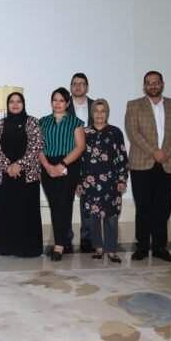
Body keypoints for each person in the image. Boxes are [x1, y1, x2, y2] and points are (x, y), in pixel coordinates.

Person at [124, 71, 171, 263]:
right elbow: (133, 132)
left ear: (162, 84)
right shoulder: (134, 105)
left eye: (156, 82)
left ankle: (160, 247)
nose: (152, 85)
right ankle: (142, 247)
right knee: (143, 207)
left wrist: (165, 152)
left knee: (163, 208)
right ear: (144, 86)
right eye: (149, 83)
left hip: (169, 162)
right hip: (141, 163)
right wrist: (154, 152)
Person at [0, 91, 44, 258]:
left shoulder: (32, 122)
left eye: (18, 101)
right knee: (5, 212)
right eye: (11, 101)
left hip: (28, 177)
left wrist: (19, 165)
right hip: (3, 177)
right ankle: (6, 247)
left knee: (27, 213)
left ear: (23, 104)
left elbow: (37, 145)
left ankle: (28, 248)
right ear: (7, 105)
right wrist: (8, 167)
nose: (15, 104)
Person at [78, 100, 129, 263]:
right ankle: (98, 247)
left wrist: (122, 179)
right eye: (96, 111)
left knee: (111, 218)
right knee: (92, 218)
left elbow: (122, 157)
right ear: (92, 113)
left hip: (111, 183)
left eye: (103, 111)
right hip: (89, 182)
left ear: (107, 113)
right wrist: (78, 182)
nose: (99, 114)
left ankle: (111, 250)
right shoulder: (84, 132)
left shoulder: (115, 132)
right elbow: (78, 159)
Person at [39, 87, 86, 261]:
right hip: (47, 165)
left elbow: (80, 147)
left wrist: (62, 164)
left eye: (61, 100)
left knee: (64, 203)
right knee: (54, 204)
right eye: (55, 100)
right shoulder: (42, 121)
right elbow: (38, 147)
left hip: (69, 165)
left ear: (67, 103)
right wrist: (47, 165)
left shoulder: (76, 122)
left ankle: (59, 245)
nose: (57, 103)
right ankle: (61, 239)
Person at [68, 72, 94, 252]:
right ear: (71, 87)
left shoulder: (95, 106)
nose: (78, 87)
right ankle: (65, 237)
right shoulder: (63, 105)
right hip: (68, 157)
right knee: (65, 200)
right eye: (74, 84)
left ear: (87, 87)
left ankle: (87, 237)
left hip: (91, 160)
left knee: (88, 199)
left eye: (81, 84)